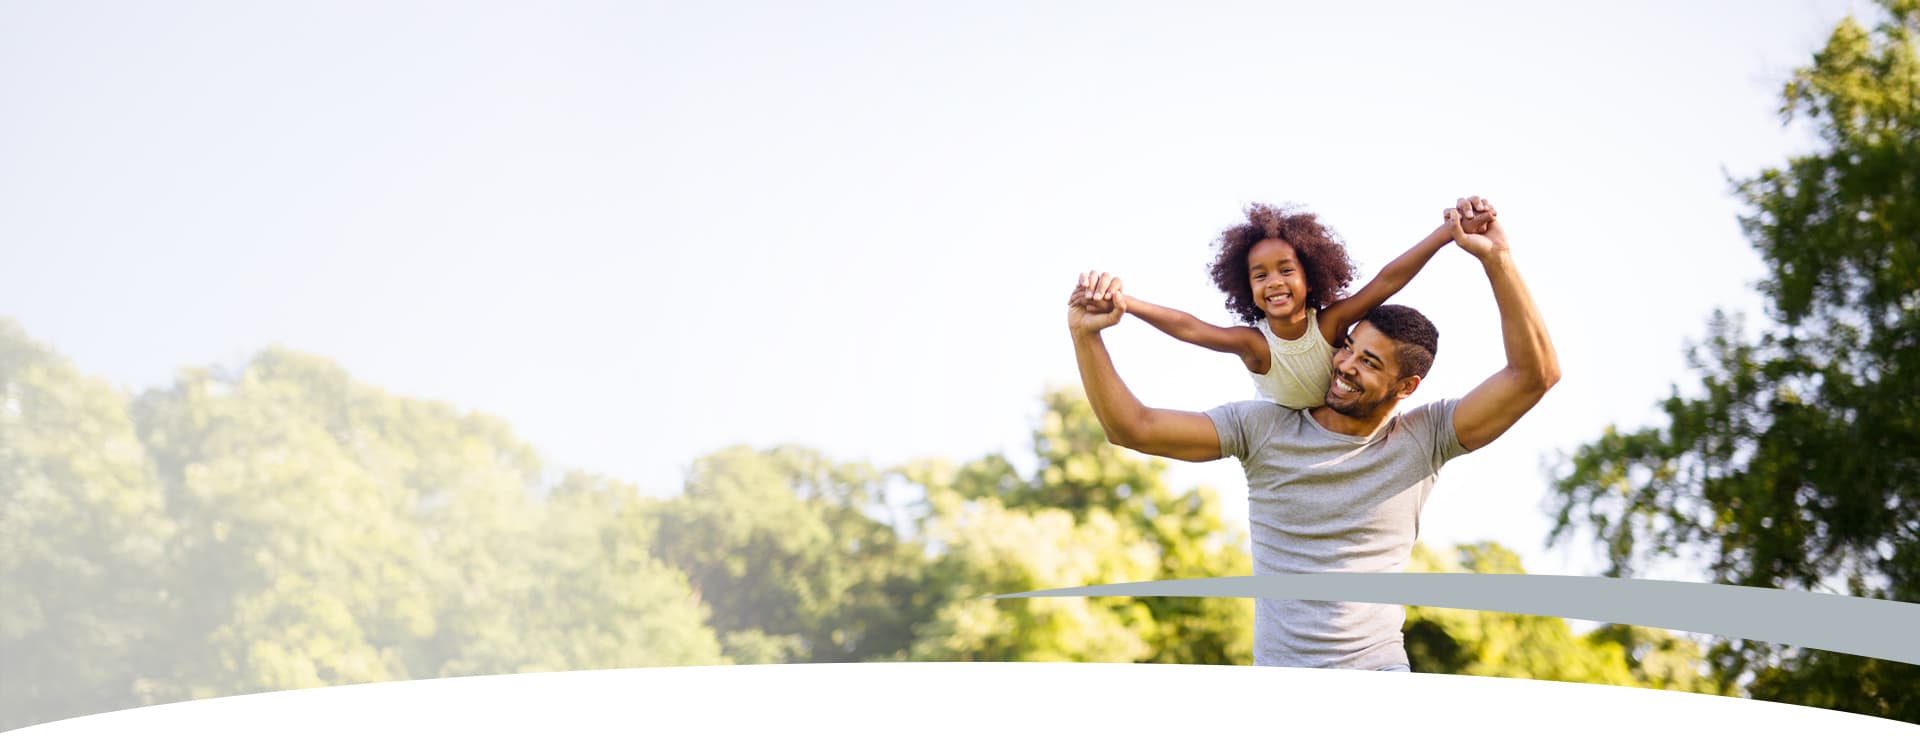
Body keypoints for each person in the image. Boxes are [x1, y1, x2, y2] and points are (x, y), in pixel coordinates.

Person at [1065, 196, 1559, 671]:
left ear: (1405, 387)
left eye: (1368, 363)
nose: (1344, 365)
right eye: (1348, 348)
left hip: (1377, 676)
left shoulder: (1425, 437)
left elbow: (1533, 375)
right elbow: (1132, 427)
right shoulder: (1262, 426)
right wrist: (1087, 336)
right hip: (1280, 682)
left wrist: (1498, 260)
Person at [1115, 202, 1494, 408]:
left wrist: (1447, 233)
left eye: (1285, 270)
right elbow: (1191, 327)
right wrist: (1128, 304)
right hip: (1282, 434)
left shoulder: (1328, 326)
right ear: (1247, 288)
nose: (1275, 283)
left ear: (1310, 276)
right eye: (1260, 276)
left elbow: (1387, 280)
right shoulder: (1255, 344)